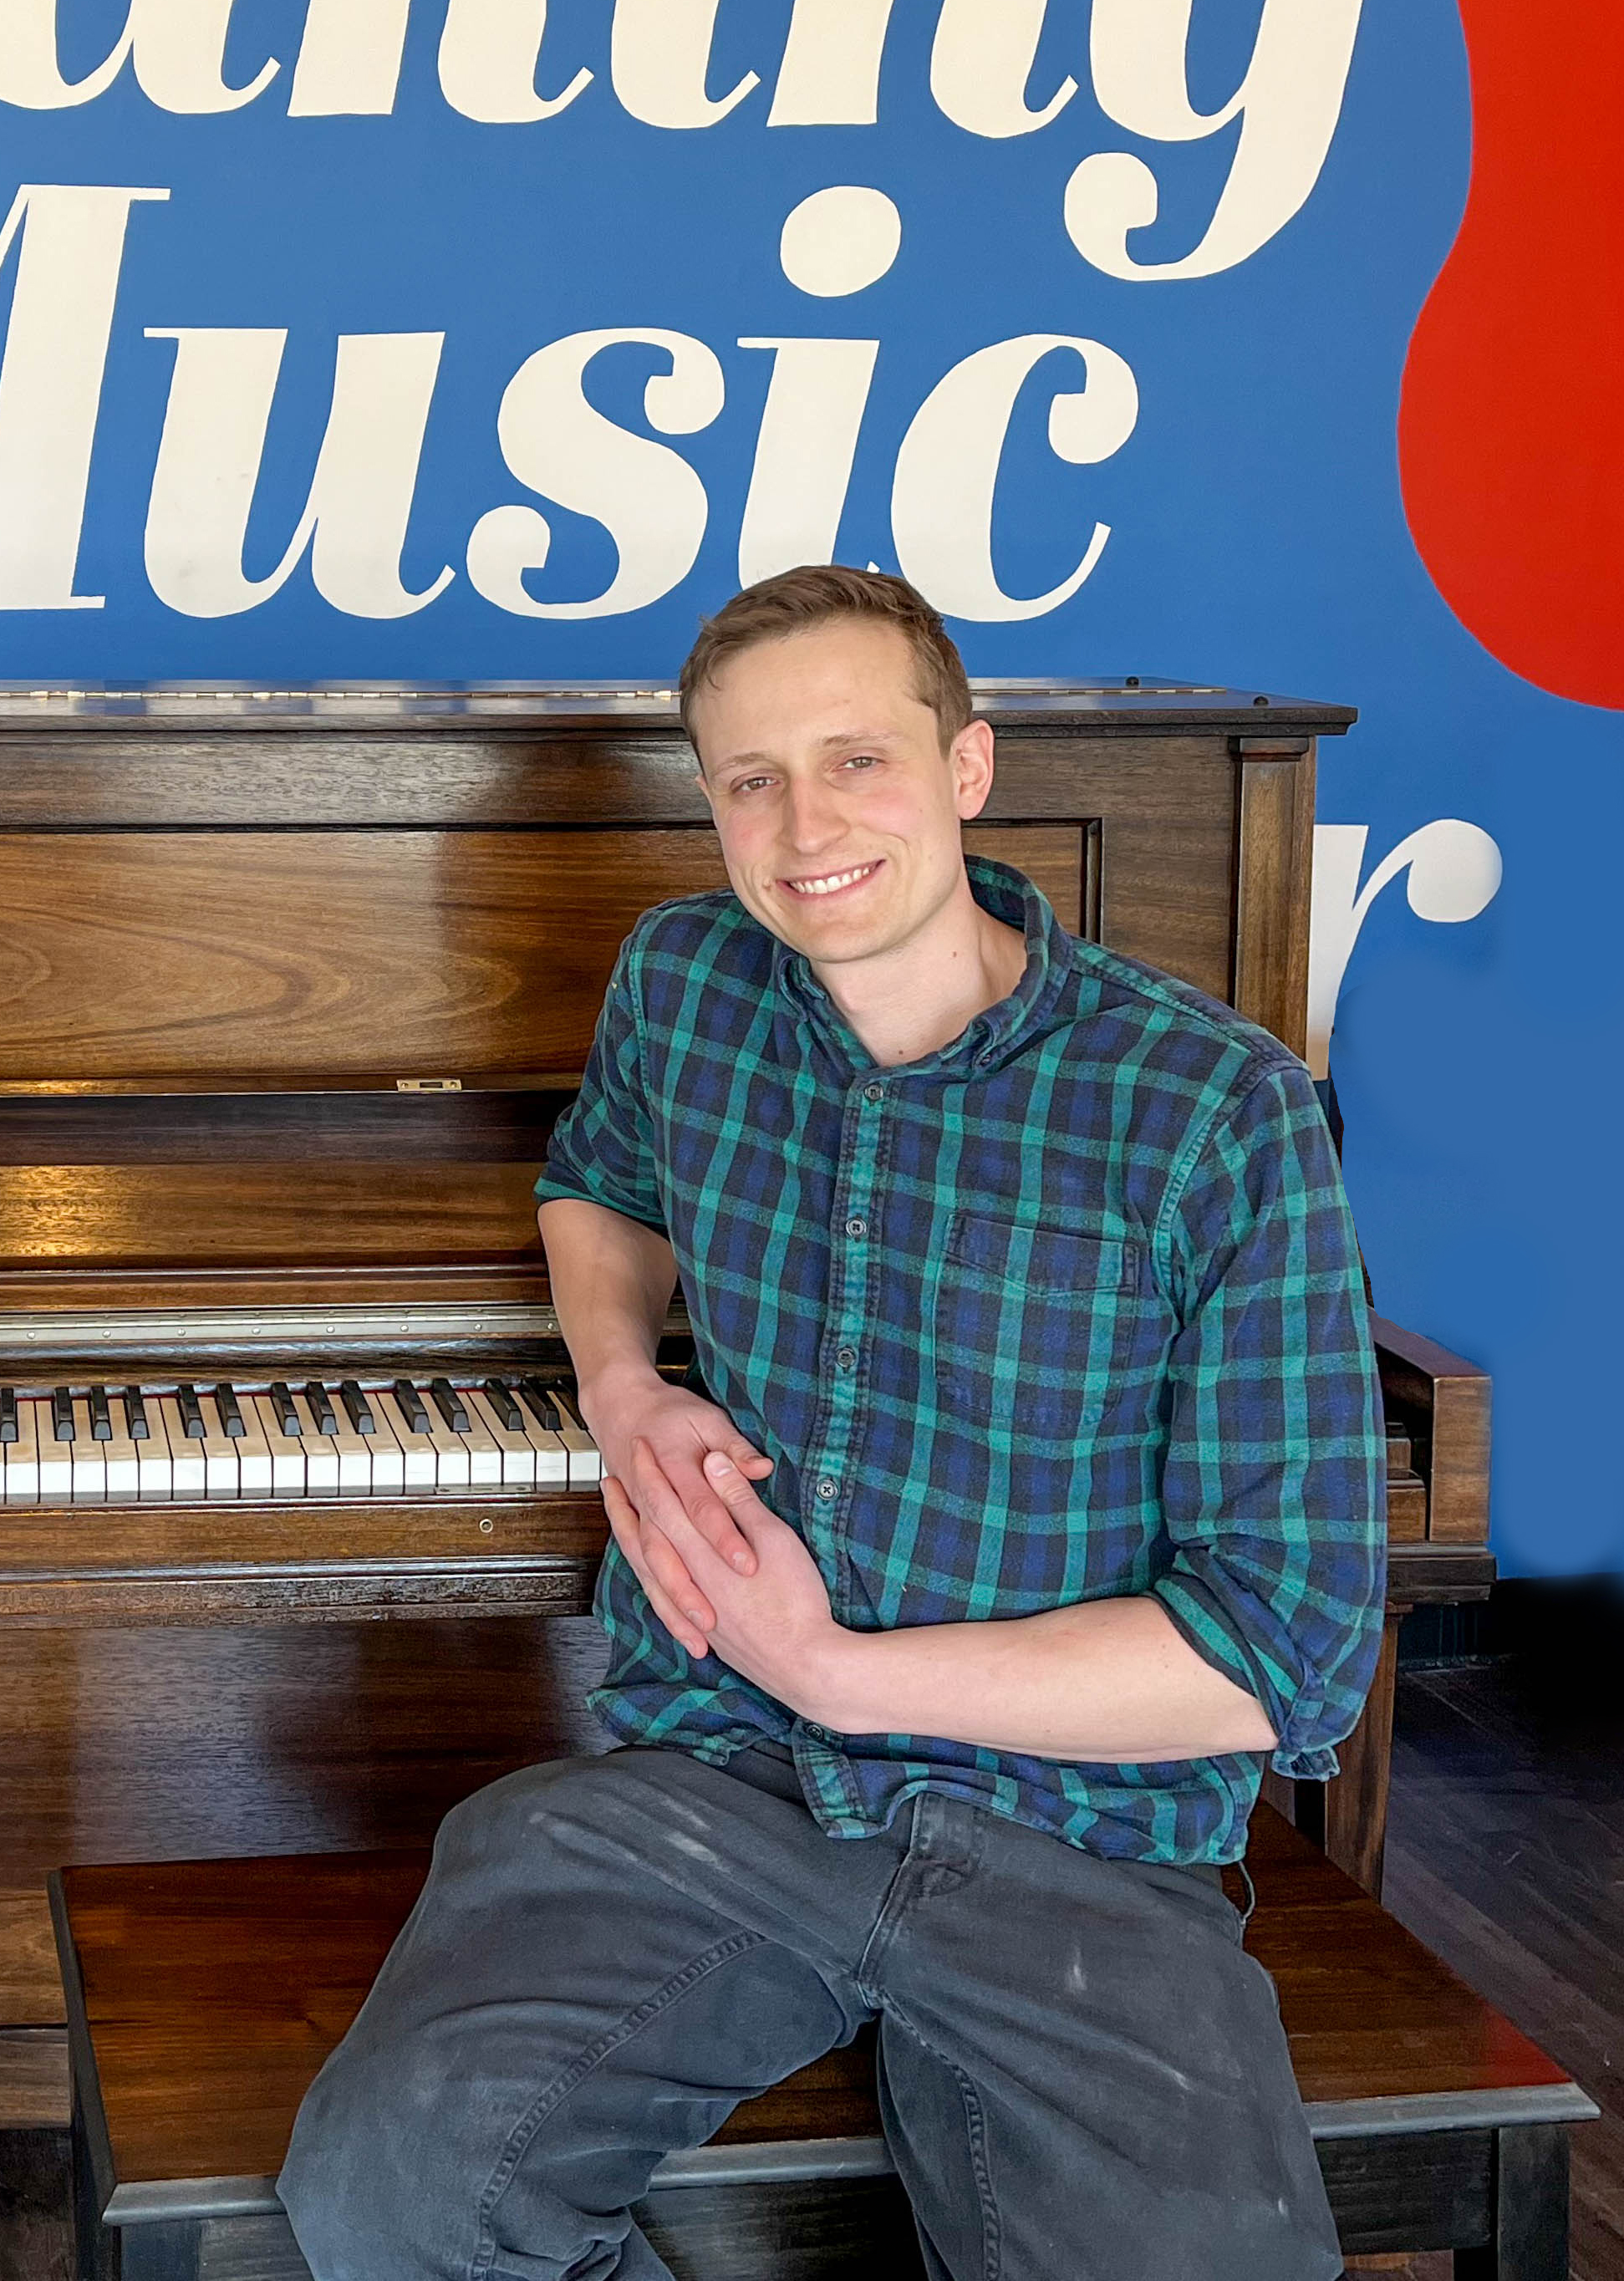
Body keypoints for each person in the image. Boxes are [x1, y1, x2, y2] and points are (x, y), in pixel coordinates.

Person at [277, 566, 1385, 2281]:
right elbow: (600, 1186)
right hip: (721, 1785)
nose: (805, 825)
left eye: (857, 759)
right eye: (751, 779)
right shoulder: (686, 983)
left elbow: (1279, 1654)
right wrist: (625, 1381)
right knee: (396, 2191)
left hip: (1080, 1846)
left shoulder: (1213, 1108)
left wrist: (838, 1670)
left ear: (967, 767)